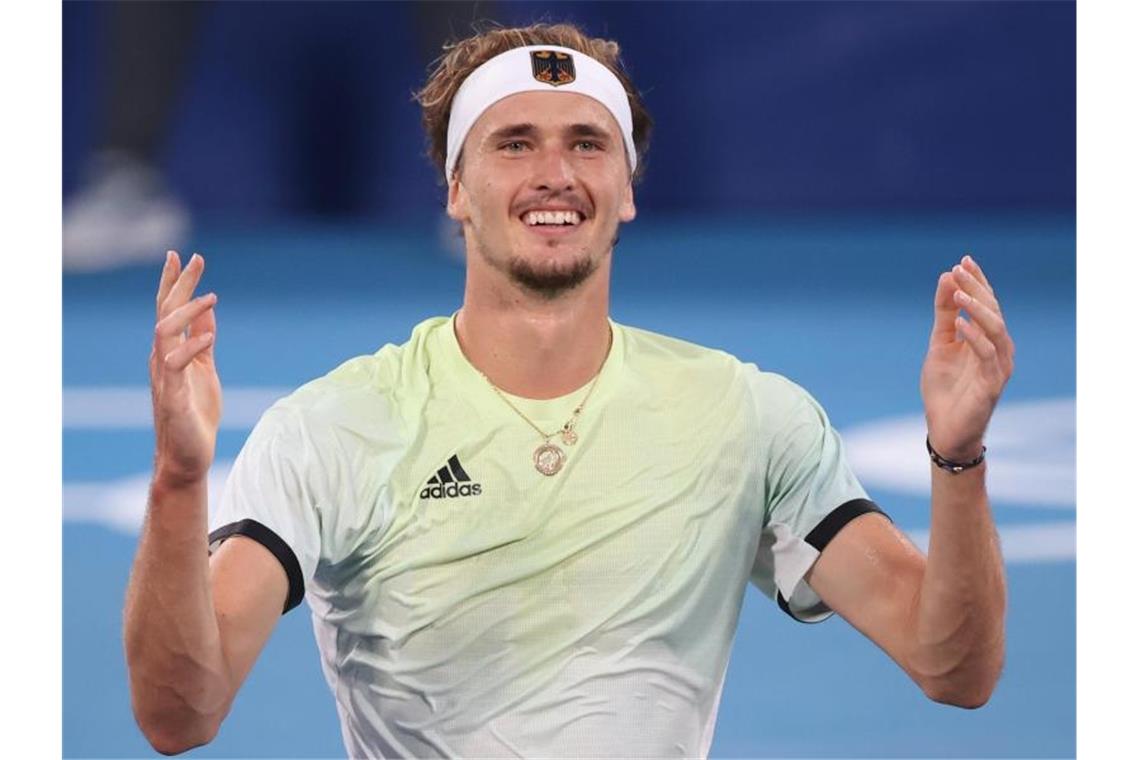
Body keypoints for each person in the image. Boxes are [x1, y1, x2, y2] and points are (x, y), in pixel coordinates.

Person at [123, 22, 1013, 758]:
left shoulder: (749, 417)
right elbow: (181, 713)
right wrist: (176, 478)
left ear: (626, 189)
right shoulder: (333, 428)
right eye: (515, 145)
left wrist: (958, 457)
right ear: (456, 190)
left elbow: (952, 667)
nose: (556, 173)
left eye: (588, 144)